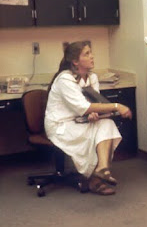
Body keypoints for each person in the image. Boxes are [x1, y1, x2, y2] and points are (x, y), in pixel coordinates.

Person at [45, 41, 132, 195]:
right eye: (87, 54)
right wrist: (117, 106)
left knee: (107, 125)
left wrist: (94, 113)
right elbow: (83, 107)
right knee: (98, 132)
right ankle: (96, 178)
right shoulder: (65, 79)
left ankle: (101, 170)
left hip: (79, 121)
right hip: (61, 125)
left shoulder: (91, 77)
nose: (92, 57)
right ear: (75, 61)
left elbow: (92, 105)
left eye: (91, 53)